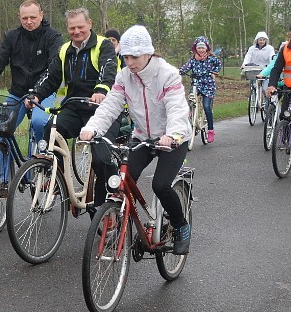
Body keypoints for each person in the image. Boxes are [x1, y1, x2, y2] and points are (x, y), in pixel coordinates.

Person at [79, 25, 193, 254]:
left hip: (173, 139)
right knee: (122, 180)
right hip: (142, 137)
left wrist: (172, 135)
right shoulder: (124, 77)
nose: (130, 62)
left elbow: (177, 109)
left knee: (160, 185)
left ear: (148, 53)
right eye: (126, 57)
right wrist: (91, 128)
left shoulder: (167, 74)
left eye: (135, 56)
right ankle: (125, 227)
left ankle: (181, 226)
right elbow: (110, 106)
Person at [26, 7, 120, 212]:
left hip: (103, 109)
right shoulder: (65, 49)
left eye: (80, 27)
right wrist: (36, 95)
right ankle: (58, 178)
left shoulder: (104, 46)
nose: (76, 31)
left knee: (102, 159)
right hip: (75, 107)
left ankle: (110, 199)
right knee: (51, 128)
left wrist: (101, 90)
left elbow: (109, 71)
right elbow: (51, 77)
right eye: (72, 28)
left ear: (90, 24)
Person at [0, 0, 61, 147]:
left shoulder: (53, 37)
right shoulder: (12, 37)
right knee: (0, 130)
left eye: (33, 17)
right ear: (19, 17)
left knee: (39, 123)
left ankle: (42, 158)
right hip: (18, 93)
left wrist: (38, 93)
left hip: (44, 93)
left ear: (41, 15)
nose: (29, 21)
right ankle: (3, 169)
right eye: (25, 18)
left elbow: (54, 67)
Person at [179, 36, 221, 142]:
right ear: (195, 49)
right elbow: (185, 68)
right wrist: (178, 72)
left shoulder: (211, 59)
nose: (201, 50)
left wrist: (214, 72)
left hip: (208, 84)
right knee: (190, 99)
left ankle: (210, 130)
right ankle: (190, 114)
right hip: (196, 83)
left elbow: (218, 65)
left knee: (207, 106)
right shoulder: (193, 60)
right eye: (199, 48)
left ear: (207, 48)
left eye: (203, 48)